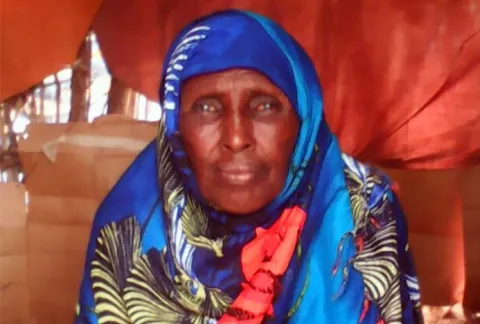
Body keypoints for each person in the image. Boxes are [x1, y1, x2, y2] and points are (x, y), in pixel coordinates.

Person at [75, 9, 422, 324]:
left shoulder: (365, 213)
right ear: (175, 125)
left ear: (303, 119)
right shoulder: (127, 226)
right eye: (207, 108)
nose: (237, 137)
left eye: (265, 107)